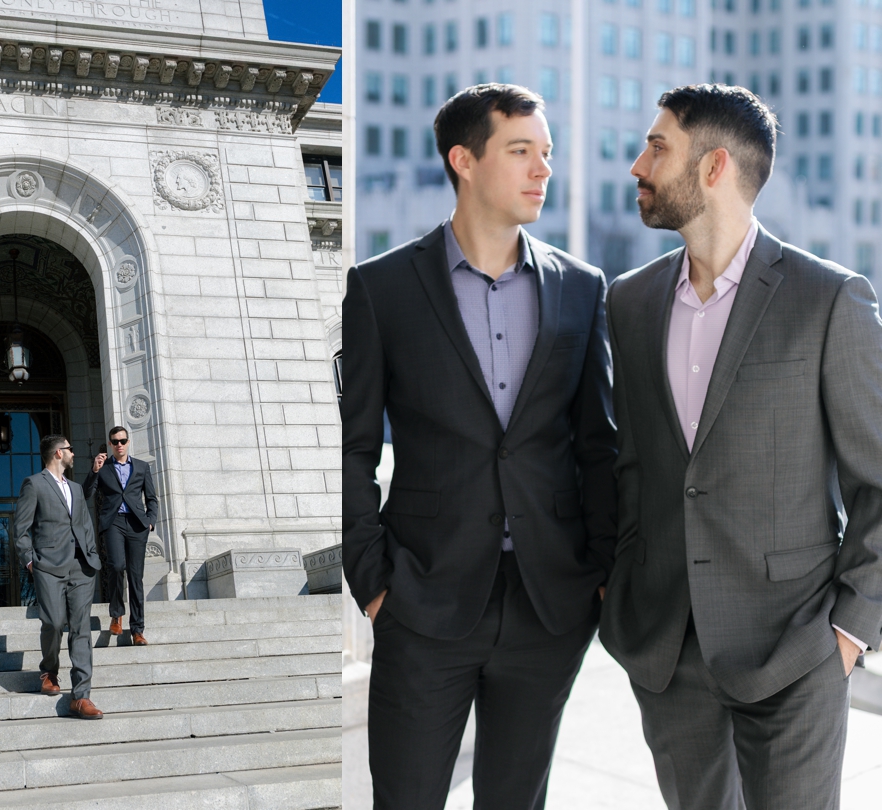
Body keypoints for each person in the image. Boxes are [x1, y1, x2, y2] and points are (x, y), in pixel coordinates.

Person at [600, 83, 882, 809]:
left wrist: (848, 633)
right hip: (667, 649)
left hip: (796, 649)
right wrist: (618, 587)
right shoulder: (628, 303)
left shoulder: (828, 298)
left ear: (714, 167)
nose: (637, 164)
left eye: (657, 146)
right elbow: (627, 465)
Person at [342, 83, 617, 810]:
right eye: (521, 150)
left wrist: (599, 572)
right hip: (421, 601)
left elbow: (600, 445)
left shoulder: (583, 290)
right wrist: (373, 580)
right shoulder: (381, 288)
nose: (542, 170)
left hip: (548, 604)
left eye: (547, 153)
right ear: (464, 159)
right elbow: (353, 446)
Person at [13, 434, 103, 719]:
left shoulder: (76, 488)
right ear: (57, 454)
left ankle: (81, 697)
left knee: (81, 630)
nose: (74, 454)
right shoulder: (34, 484)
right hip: (48, 566)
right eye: (70, 449)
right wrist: (30, 562)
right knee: (53, 622)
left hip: (82, 568)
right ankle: (49, 670)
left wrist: (92, 556)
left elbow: (85, 525)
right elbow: (20, 529)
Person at [84, 425, 158, 645]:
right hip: (113, 522)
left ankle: (137, 630)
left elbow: (152, 498)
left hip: (137, 525)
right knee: (116, 566)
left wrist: (150, 522)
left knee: (136, 577)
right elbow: (87, 493)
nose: (119, 445)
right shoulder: (103, 467)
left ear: (128, 442)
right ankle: (116, 614)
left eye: (122, 441)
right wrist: (94, 470)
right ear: (110, 444)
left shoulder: (142, 467)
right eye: (115, 442)